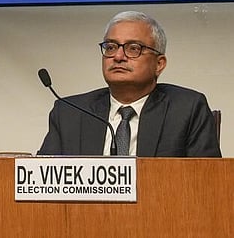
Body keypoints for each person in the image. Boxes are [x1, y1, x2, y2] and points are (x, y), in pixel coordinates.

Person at [38, 11, 221, 157]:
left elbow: (206, 183)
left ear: (159, 64)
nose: (118, 56)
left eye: (133, 48)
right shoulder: (69, 113)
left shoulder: (187, 109)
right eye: (111, 47)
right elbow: (41, 182)